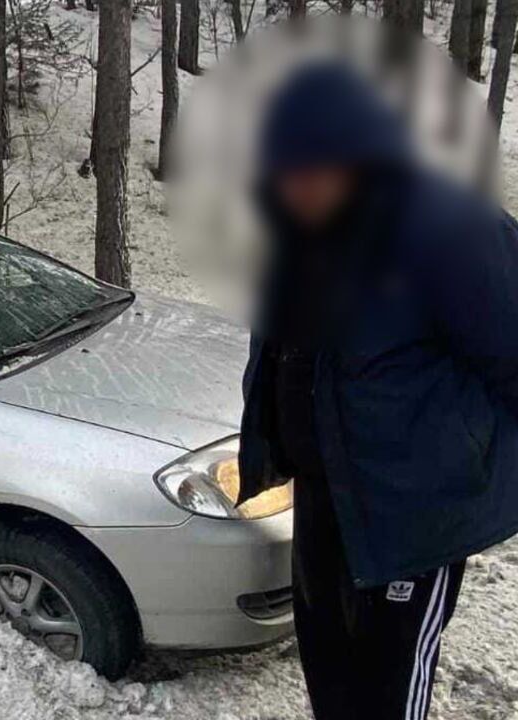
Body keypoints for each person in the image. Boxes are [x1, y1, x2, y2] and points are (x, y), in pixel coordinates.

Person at [238, 61, 518, 719]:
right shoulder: (294, 229)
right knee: (327, 664)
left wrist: (469, 464)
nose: (293, 185)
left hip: (411, 511)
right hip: (325, 494)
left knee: (387, 686)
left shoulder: (449, 227)